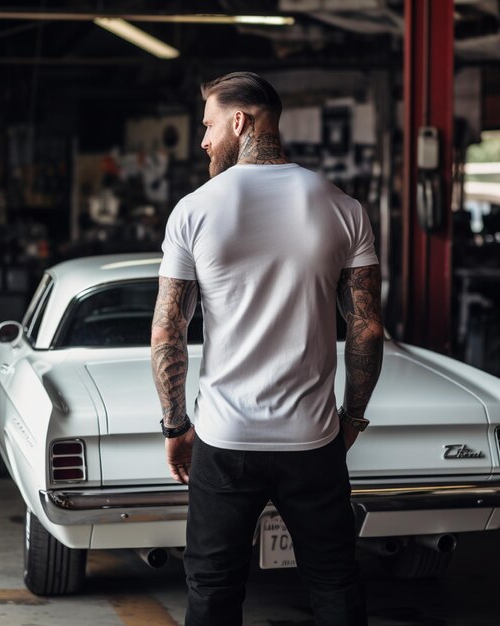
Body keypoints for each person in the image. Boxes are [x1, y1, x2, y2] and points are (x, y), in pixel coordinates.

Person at [150, 71, 383, 626]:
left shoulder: (194, 209)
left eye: (208, 125)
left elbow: (167, 331)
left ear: (240, 121)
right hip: (313, 439)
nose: (203, 140)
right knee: (334, 580)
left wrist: (175, 425)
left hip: (226, 439)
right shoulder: (342, 206)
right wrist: (351, 417)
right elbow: (367, 330)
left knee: (212, 586)